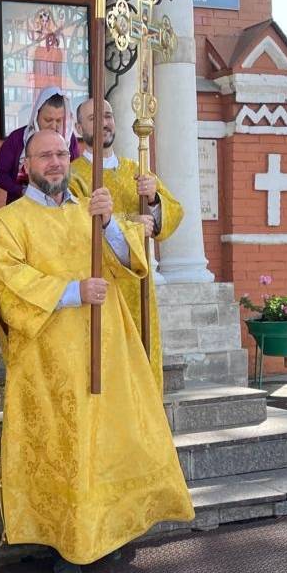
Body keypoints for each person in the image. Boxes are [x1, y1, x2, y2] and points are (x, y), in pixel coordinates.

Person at [0, 128, 194, 573]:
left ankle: (111, 531)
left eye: (62, 153)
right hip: (49, 360)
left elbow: (131, 261)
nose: (56, 162)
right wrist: (73, 291)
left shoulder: (91, 210)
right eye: (46, 155)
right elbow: (7, 278)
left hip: (107, 349)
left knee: (109, 442)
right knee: (64, 449)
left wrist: (109, 226)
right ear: (28, 164)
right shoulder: (9, 222)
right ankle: (64, 548)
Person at [69, 98, 183, 390]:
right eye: (94, 118)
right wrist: (134, 223)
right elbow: (78, 224)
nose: (104, 122)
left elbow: (172, 215)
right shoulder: (73, 176)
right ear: (79, 128)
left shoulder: (138, 170)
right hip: (100, 285)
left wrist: (155, 199)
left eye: (107, 115)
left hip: (140, 287)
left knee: (142, 374)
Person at [0, 86, 80, 208]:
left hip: (60, 209)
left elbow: (75, 175)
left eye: (59, 120)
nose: (54, 126)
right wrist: (21, 190)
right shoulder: (18, 139)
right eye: (48, 120)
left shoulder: (70, 140)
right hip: (21, 208)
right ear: (36, 115)